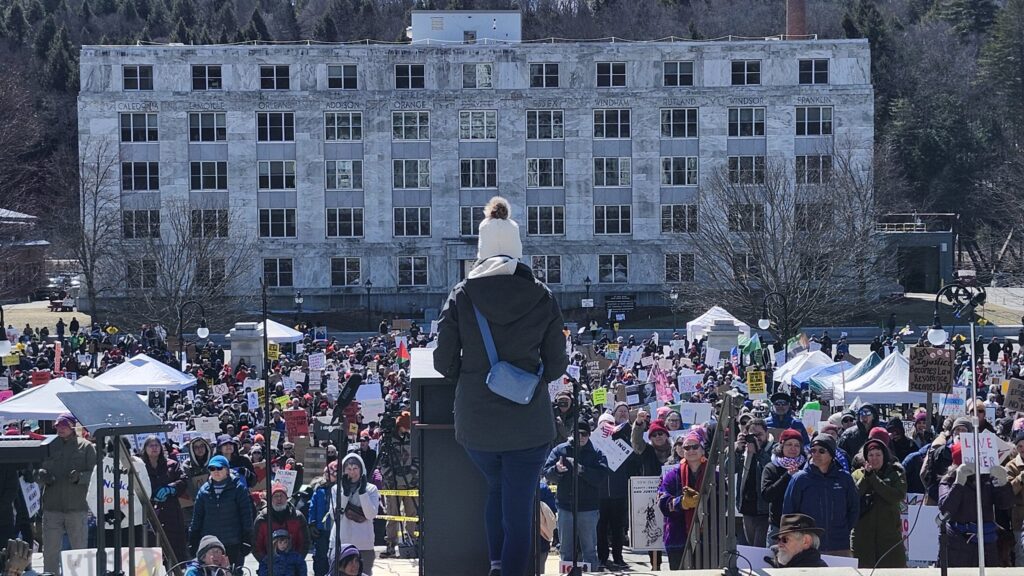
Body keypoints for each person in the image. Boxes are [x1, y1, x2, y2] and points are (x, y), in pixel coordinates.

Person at [434, 196, 569, 576]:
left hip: (477, 422)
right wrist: (529, 373)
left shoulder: (461, 295)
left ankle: (495, 563)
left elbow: (443, 362)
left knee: (495, 489)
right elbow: (557, 365)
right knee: (519, 504)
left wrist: (476, 373)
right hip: (528, 422)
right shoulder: (542, 295)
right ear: (516, 248)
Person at [542, 420, 608, 572]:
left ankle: (590, 573)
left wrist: (582, 470)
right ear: (571, 434)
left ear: (589, 435)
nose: (580, 437)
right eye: (577, 434)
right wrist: (557, 470)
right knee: (566, 549)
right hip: (565, 505)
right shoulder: (560, 450)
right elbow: (547, 473)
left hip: (589, 508)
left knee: (590, 549)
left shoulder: (596, 452)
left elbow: (602, 477)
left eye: (584, 434)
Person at [37, 412, 97, 574]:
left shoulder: (86, 447)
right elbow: (38, 469)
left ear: (72, 426)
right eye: (58, 426)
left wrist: (80, 477)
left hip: (76, 507)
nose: (60, 428)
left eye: (64, 425)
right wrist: (42, 475)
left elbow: (95, 473)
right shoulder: (48, 445)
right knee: (50, 551)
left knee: (79, 551)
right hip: (52, 506)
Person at [939, 442, 1014, 567]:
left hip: (987, 543)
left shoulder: (987, 478)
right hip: (958, 543)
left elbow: (1005, 504)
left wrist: (1003, 483)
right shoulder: (948, 480)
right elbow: (946, 509)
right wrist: (958, 483)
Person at [783, 434, 859, 556]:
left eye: (821, 451)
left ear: (831, 454)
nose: (816, 454)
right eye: (813, 450)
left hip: (839, 546)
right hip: (808, 547)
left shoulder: (844, 478)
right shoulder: (800, 479)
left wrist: (843, 531)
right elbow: (789, 513)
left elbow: (854, 509)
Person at [851, 436, 907, 568]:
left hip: (889, 536)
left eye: (878, 455)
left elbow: (897, 495)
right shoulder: (857, 474)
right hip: (863, 536)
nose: (874, 458)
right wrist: (866, 477)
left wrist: (874, 479)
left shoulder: (895, 473)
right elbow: (853, 497)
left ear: (884, 455)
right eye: (870, 455)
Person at [189, 455, 254, 568]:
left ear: (227, 470)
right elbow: (197, 517)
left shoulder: (239, 488)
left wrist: (247, 539)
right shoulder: (203, 491)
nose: (216, 471)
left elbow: (246, 515)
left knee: (234, 573)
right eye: (212, 469)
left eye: (219, 468)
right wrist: (193, 539)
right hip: (210, 545)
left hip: (234, 542)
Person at [658, 430, 708, 570]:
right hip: (677, 537)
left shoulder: (713, 475)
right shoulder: (672, 475)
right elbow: (662, 502)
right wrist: (682, 503)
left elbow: (723, 503)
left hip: (706, 539)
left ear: (702, 449)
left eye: (695, 446)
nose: (691, 450)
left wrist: (702, 503)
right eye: (687, 447)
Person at [328, 453, 379, 575]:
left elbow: (370, 514)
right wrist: (345, 494)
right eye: (348, 469)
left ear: (361, 469)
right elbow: (335, 515)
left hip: (364, 545)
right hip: (340, 544)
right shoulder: (336, 489)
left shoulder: (371, 489)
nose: (352, 472)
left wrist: (362, 493)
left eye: (355, 468)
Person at [141, 435, 189, 564]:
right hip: (150, 513)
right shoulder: (140, 467)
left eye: (157, 445)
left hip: (171, 513)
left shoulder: (171, 464)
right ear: (144, 449)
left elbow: (183, 481)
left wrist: (171, 488)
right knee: (153, 550)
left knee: (174, 549)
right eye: (150, 445)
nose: (154, 448)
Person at [595, 411, 630, 571]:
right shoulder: (593, 444)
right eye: (603, 425)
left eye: (610, 424)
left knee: (618, 527)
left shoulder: (621, 442)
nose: (606, 428)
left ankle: (618, 557)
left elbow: (633, 460)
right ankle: (602, 557)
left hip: (618, 492)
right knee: (601, 527)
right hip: (599, 494)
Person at [761, 429, 806, 546]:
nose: (793, 448)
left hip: (802, 526)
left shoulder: (807, 466)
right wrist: (787, 476)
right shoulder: (771, 467)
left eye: (797, 445)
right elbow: (767, 495)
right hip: (778, 526)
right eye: (789, 444)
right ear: (782, 446)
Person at [736, 418, 772, 547]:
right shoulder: (743, 451)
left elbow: (770, 467)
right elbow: (728, 469)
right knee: (752, 546)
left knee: (759, 547)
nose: (756, 438)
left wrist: (758, 452)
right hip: (747, 507)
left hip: (764, 509)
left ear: (767, 433)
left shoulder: (773, 449)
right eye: (752, 435)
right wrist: (738, 451)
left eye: (759, 435)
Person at [253, 482, 308, 561]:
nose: (279, 498)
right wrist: (266, 562)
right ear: (271, 499)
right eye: (275, 496)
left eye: (281, 495)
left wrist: (297, 561)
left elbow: (304, 543)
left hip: (293, 565)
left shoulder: (298, 517)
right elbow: (256, 546)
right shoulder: (262, 519)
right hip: (269, 566)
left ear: (286, 498)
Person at [308, 463, 336, 576]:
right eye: (327, 473)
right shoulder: (319, 489)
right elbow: (312, 506)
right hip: (321, 530)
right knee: (320, 556)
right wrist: (312, 523)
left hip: (334, 529)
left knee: (333, 556)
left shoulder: (339, 488)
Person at [1006, 430, 1024, 566]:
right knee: (1020, 552)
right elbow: (1009, 491)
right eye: (1020, 446)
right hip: (1020, 516)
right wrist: (1021, 478)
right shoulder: (1011, 466)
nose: (1023, 449)